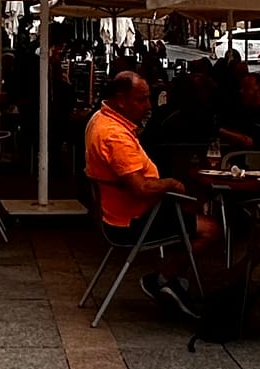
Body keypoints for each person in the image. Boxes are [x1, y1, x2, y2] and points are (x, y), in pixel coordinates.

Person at [85, 72, 218, 305]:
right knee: (211, 229)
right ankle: (163, 278)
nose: (148, 106)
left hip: (121, 212)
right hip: (131, 220)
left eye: (148, 99)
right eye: (141, 99)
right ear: (121, 99)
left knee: (189, 210)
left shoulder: (101, 118)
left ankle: (175, 279)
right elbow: (141, 189)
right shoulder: (115, 136)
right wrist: (172, 183)